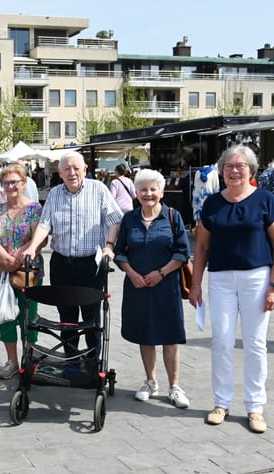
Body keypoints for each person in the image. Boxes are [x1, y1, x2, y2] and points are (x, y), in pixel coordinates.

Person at [189, 145, 274, 434]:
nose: (234, 170)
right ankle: (221, 402)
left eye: (240, 165)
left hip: (257, 278)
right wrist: (195, 284)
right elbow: (202, 246)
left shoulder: (265, 200)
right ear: (222, 170)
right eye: (229, 165)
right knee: (221, 340)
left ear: (251, 170)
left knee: (255, 343)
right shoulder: (212, 203)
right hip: (220, 279)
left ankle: (255, 407)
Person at [22, 151, 123, 358]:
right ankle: (71, 361)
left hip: (90, 265)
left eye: (76, 168)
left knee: (91, 317)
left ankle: (94, 361)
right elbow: (44, 224)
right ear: (60, 172)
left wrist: (109, 246)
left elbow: (114, 219)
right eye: (67, 168)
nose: (72, 172)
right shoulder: (55, 193)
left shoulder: (99, 189)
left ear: (85, 170)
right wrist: (32, 247)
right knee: (66, 317)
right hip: (61, 263)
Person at [114, 169, 191, 408]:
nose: (148, 194)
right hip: (137, 286)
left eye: (153, 189)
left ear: (161, 191)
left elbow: (182, 251)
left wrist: (161, 272)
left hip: (166, 287)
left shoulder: (172, 216)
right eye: (143, 189)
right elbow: (120, 251)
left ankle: (175, 386)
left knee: (170, 336)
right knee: (145, 335)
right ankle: (151, 381)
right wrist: (132, 273)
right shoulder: (129, 219)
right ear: (136, 193)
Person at [0, 164, 45, 379]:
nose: (10, 186)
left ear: (24, 184)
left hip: (28, 270)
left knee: (29, 315)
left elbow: (40, 239)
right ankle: (11, 361)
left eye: (14, 182)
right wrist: (4, 258)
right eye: (6, 183)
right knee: (7, 316)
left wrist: (18, 255)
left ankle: (29, 357)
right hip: (2, 272)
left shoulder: (34, 209)